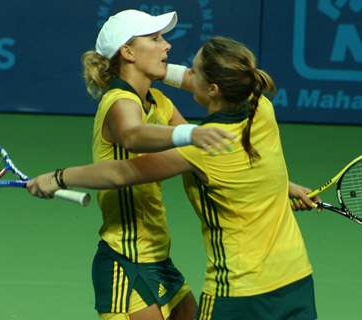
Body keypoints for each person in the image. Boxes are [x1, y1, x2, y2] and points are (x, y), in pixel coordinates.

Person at [28, 35, 319, 319]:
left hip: (238, 289)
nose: (171, 51)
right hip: (296, 277)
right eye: (155, 39)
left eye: (193, 70)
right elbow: (246, 157)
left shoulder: (199, 147)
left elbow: (121, 171)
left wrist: (58, 177)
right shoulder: (261, 107)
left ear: (214, 88)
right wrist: (284, 186)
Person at [50, 9, 235, 320]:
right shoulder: (119, 103)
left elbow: (202, 156)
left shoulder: (159, 103)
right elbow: (134, 135)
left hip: (157, 256)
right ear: (128, 52)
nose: (167, 46)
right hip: (125, 259)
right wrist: (192, 132)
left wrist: (276, 188)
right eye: (155, 39)